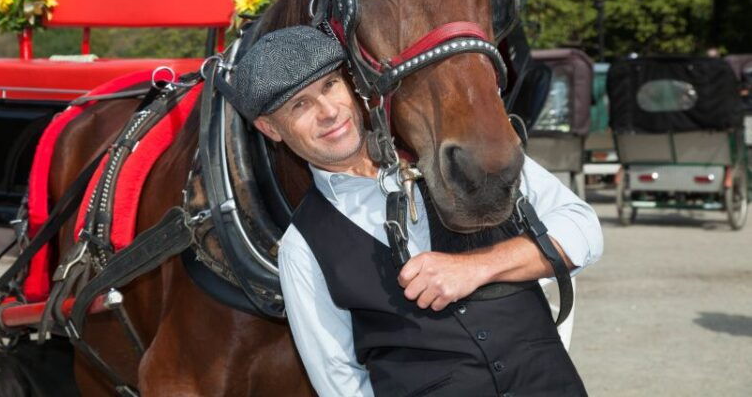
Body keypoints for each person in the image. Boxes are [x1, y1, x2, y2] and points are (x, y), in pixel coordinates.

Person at [224, 26, 603, 397]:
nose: (328, 112)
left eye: (329, 85)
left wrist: (477, 267)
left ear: (350, 84)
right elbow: (338, 380)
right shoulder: (301, 248)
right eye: (300, 105)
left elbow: (584, 231)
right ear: (270, 128)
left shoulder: (458, 151)